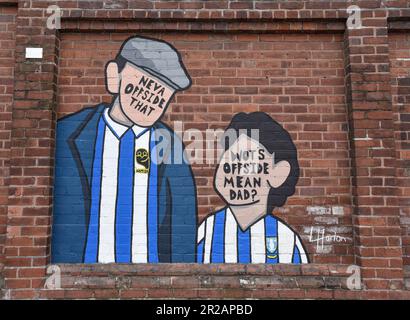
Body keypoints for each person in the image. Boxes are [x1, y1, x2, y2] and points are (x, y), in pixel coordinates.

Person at [52, 36, 197, 263]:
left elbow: (181, 229)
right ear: (114, 76)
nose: (151, 99)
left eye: (162, 94)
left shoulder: (171, 147)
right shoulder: (67, 134)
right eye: (143, 83)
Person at [197, 112, 309, 264]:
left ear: (279, 172)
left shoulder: (287, 240)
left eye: (246, 159)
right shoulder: (206, 232)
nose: (232, 168)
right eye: (228, 158)